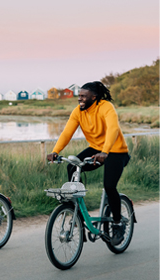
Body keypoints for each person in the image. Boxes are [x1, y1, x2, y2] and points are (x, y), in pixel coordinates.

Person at [47, 81, 130, 246]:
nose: (80, 99)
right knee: (72, 166)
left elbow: (113, 129)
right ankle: (79, 213)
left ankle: (118, 223)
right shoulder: (78, 112)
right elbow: (67, 132)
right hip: (96, 149)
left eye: (84, 96)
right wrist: (55, 151)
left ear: (94, 97)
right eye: (79, 96)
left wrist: (105, 152)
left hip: (116, 151)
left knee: (109, 186)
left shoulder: (106, 107)